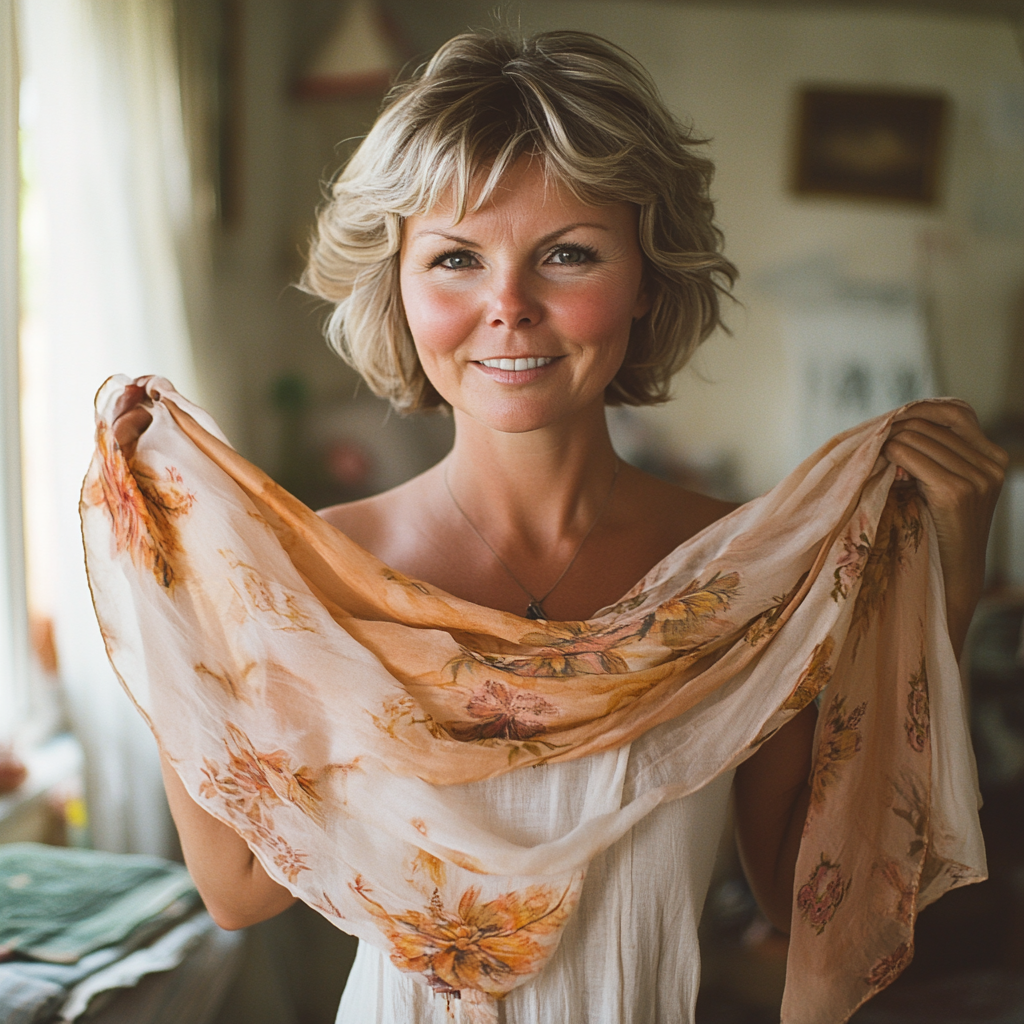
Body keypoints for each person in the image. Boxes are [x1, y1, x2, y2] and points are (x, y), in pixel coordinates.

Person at [111, 30, 1006, 1024]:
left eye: (567, 253)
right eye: (454, 257)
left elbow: (812, 903)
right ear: (398, 289)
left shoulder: (753, 572)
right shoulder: (321, 573)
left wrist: (945, 588)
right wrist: (162, 579)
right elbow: (239, 886)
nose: (508, 306)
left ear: (646, 279)